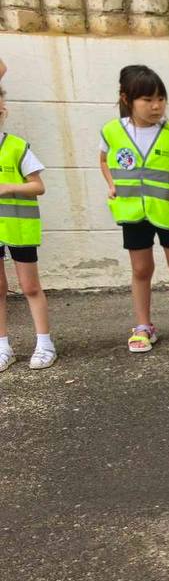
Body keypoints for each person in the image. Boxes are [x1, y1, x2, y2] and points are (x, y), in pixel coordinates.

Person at [99, 65, 169, 353]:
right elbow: (104, 160)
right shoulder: (111, 131)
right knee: (141, 269)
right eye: (147, 100)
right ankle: (144, 326)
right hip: (133, 214)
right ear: (126, 99)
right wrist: (111, 184)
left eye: (161, 98)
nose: (156, 106)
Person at [0, 85, 56, 370]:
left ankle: (45, 343)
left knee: (30, 286)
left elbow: (38, 186)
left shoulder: (17, 146)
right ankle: (3, 347)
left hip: (20, 228)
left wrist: (9, 187)